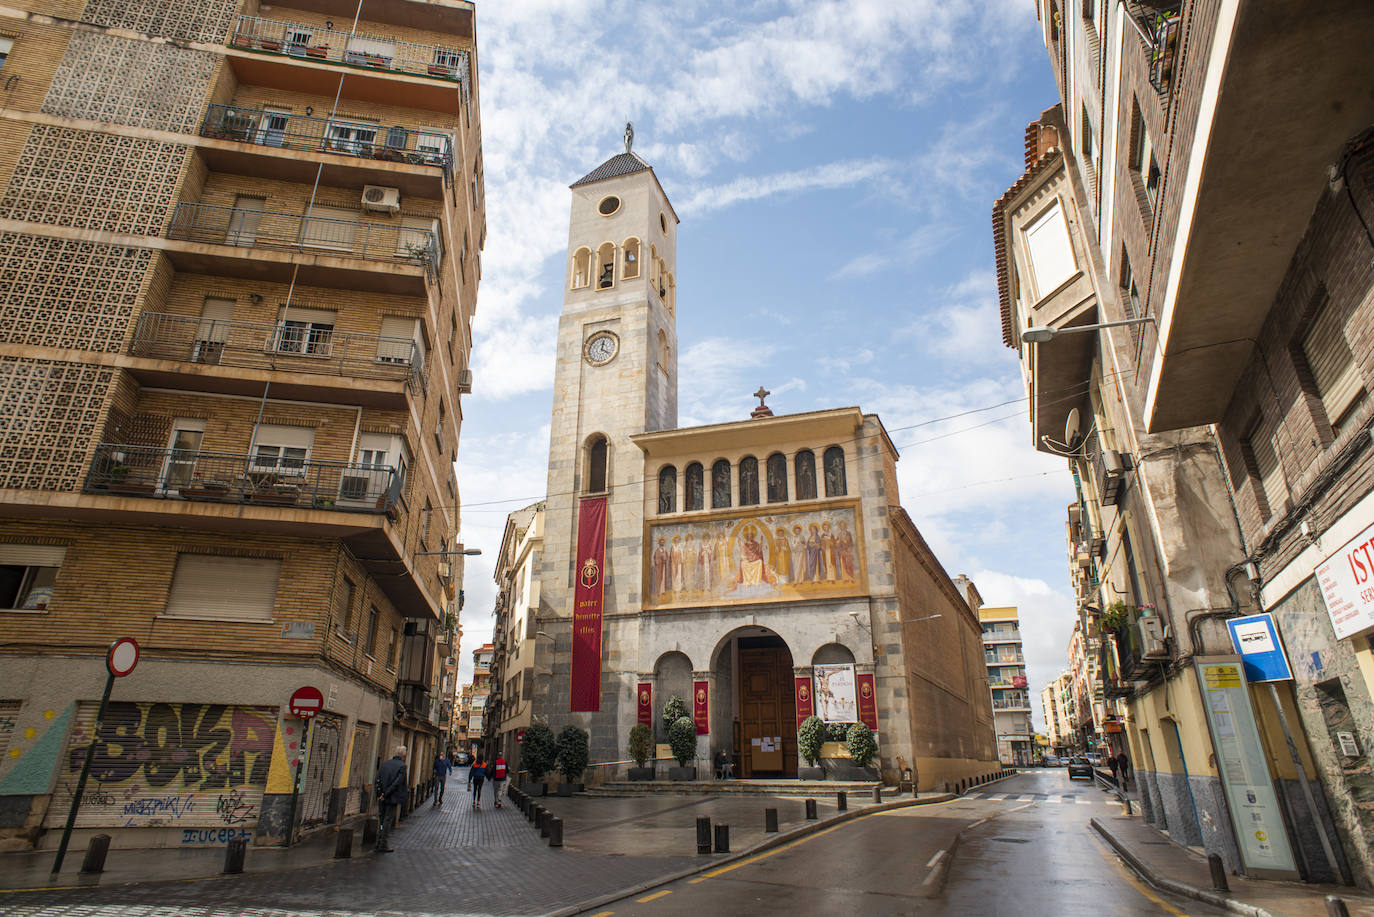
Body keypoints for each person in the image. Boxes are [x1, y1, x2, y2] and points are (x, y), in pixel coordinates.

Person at [373, 745, 408, 853]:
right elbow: (397, 783)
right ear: (403, 755)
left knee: (382, 819)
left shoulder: (385, 764)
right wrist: (386, 794)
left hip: (382, 797)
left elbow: (377, 779)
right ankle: (383, 843)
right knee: (388, 820)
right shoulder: (402, 766)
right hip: (391, 797)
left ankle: (378, 842)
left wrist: (380, 794)